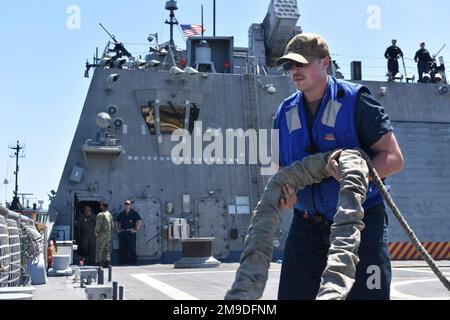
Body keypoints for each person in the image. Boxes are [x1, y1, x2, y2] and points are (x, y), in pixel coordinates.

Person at [274, 33, 404, 300]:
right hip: (307, 224)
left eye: (302, 63)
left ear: (325, 63)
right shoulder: (283, 113)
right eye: (291, 65)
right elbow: (280, 170)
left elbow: (393, 157)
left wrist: (355, 173)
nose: (295, 70)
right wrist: (284, 195)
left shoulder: (357, 101)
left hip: (361, 222)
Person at [115, 200, 142, 265]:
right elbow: (116, 221)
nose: (127, 205)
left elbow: (139, 220)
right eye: (126, 204)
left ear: (130, 205)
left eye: (128, 204)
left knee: (132, 248)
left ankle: (133, 263)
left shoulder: (134, 213)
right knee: (122, 248)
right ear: (125, 205)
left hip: (131, 233)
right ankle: (122, 263)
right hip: (123, 233)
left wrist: (136, 229)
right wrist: (117, 229)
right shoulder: (121, 213)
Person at [95, 202, 114, 268]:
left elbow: (98, 225)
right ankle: (106, 263)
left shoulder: (100, 215)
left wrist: (96, 233)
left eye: (101, 205)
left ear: (103, 206)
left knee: (100, 248)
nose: (100, 206)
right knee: (107, 249)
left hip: (101, 234)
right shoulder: (109, 214)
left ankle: (99, 263)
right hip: (108, 234)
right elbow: (112, 225)